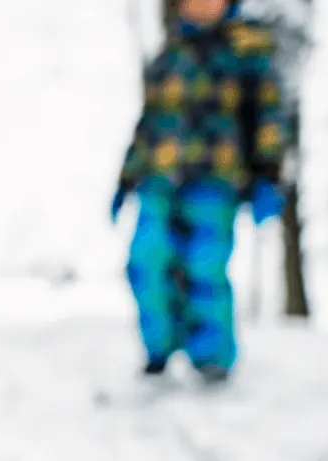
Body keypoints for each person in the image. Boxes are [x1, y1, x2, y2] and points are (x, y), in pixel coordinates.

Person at [113, 0, 289, 383]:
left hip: (216, 180)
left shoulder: (247, 47)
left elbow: (269, 114)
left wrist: (268, 173)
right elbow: (149, 123)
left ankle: (211, 356)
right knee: (146, 260)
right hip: (159, 178)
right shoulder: (170, 54)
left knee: (204, 266)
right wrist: (125, 178)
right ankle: (158, 345)